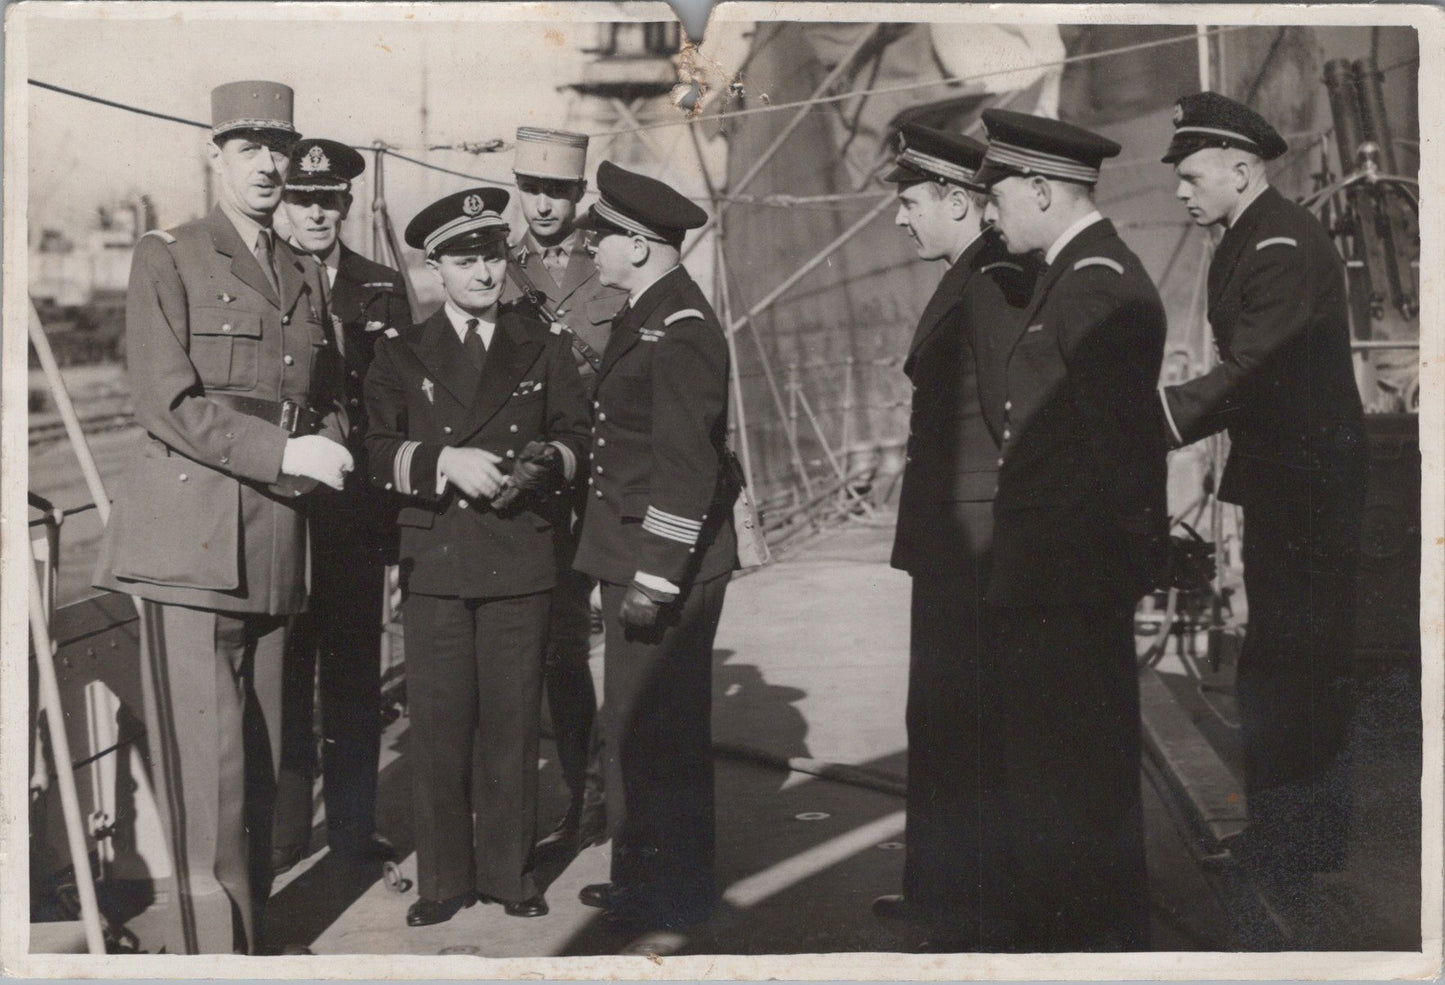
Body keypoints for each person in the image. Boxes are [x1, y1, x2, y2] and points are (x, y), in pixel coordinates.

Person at [92, 80, 350, 954]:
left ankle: (255, 935)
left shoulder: (302, 270)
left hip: (278, 537)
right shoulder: (169, 254)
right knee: (213, 774)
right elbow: (165, 401)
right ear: (216, 156)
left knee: (269, 762)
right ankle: (219, 953)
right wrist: (282, 454)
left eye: (279, 149)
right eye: (249, 149)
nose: (269, 165)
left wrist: (328, 446)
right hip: (192, 542)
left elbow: (323, 396)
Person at [1158, 93, 1367, 904]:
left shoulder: (1275, 244)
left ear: (1241, 169)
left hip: (1307, 486)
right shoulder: (1248, 235)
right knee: (1280, 664)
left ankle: (1298, 847)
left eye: (1191, 175)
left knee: (1295, 669)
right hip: (1292, 480)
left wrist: (1162, 416)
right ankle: (1287, 837)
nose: (1180, 191)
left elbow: (1251, 366)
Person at [363, 187, 591, 926]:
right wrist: (442, 462)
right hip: (437, 557)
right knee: (439, 723)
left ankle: (509, 874)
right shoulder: (400, 352)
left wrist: (545, 463)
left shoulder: (543, 343)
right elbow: (373, 449)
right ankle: (444, 881)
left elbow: (576, 436)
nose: (484, 274)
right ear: (437, 268)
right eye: (465, 260)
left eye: (492, 255)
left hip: (519, 553)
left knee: (513, 720)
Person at [974, 108, 1169, 951]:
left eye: (997, 194)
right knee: (1059, 754)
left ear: (1044, 189)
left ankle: (1081, 929)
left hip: (1070, 572)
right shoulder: (1075, 271)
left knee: (1073, 758)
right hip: (1055, 567)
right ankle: (1069, 915)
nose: (989, 211)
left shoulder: (1094, 281)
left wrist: (1112, 566)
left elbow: (1118, 444)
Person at [868, 123, 1035, 950]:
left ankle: (973, 907)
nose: (900, 221)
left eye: (910, 203)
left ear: (959, 203)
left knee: (965, 721)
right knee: (937, 717)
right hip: (949, 541)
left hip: (976, 545)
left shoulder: (993, 282)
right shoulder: (969, 278)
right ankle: (937, 892)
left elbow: (1018, 423)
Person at [570, 161, 738, 932]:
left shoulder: (681, 327)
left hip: (659, 560)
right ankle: (646, 877)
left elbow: (686, 465)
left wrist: (657, 577)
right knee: (638, 727)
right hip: (632, 550)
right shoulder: (651, 312)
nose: (590, 249)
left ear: (637, 245)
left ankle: (674, 891)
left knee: (658, 730)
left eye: (600, 237)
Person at [271, 138, 412, 874]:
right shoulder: (263, 279)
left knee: (353, 677)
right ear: (282, 203)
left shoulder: (381, 286)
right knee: (285, 674)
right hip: (281, 507)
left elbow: (401, 400)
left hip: (355, 512)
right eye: (303, 199)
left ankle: (353, 835)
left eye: (329, 201)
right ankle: (287, 834)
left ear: (347, 205)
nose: (317, 213)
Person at [501, 126, 628, 853]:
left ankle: (621, 788)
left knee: (626, 639)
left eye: (557, 191)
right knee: (554, 646)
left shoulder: (608, 261)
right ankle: (580, 794)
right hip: (539, 481)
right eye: (533, 188)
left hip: (606, 477)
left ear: (579, 195)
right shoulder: (500, 265)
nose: (543, 204)